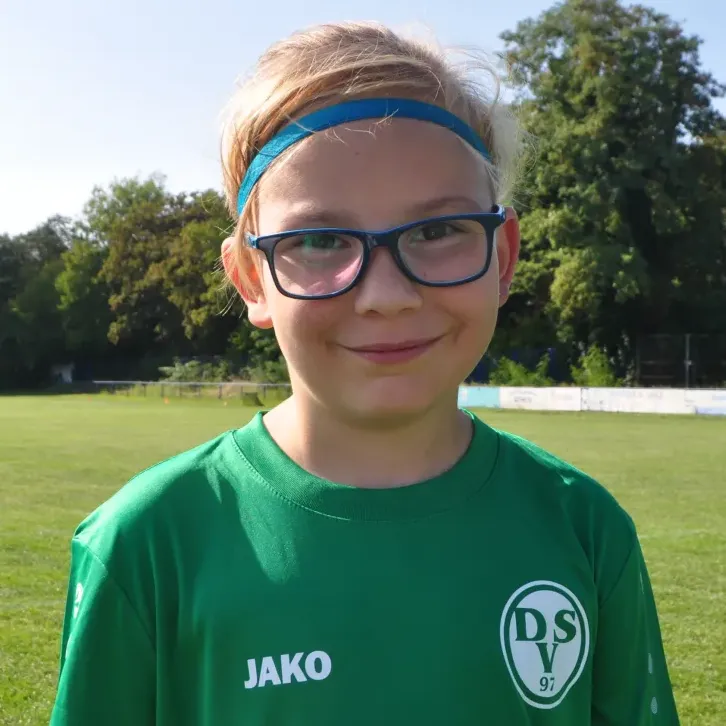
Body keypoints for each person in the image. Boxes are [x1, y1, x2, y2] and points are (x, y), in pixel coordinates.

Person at [50, 21, 680, 726]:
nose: (386, 295)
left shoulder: (585, 530)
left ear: (502, 257)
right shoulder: (144, 545)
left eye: (437, 231)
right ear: (252, 279)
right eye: (320, 240)